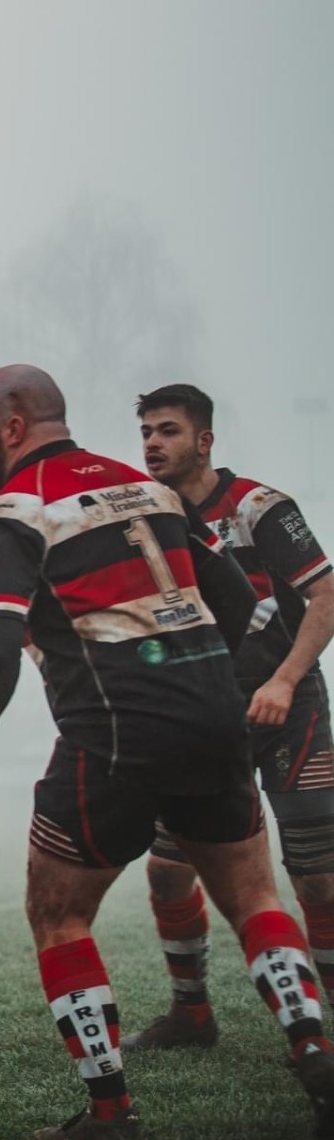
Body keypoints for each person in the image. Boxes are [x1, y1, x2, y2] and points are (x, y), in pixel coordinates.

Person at [0, 364, 333, 1140]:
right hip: (216, 718)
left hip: (115, 731)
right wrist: (197, 680)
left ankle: (110, 1113)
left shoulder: (14, 511)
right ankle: (314, 1053)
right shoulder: (153, 490)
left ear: (15, 423)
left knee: (58, 913)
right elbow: (241, 601)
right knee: (257, 898)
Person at [123, 383, 334, 1052]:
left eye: (168, 431)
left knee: (319, 876)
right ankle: (193, 1015)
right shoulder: (145, 518)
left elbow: (327, 593)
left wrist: (284, 677)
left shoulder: (260, 508)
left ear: (204, 440)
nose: (153, 443)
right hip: (205, 720)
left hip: (288, 708)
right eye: (147, 432)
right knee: (165, 869)